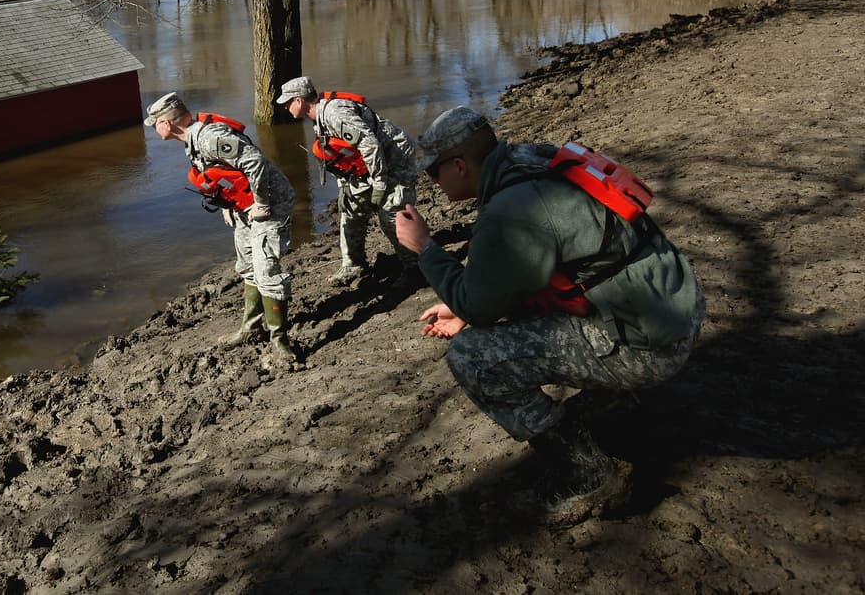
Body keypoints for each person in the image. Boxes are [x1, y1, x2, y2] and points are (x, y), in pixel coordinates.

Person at [394, 106, 706, 526]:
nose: (433, 183)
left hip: (650, 342)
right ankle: (615, 401)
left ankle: (589, 473)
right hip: (674, 303)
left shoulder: (509, 211)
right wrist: (464, 309)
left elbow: (480, 307)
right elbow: (528, 271)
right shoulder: (533, 161)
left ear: (460, 165)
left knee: (473, 358)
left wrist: (426, 249)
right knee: (495, 331)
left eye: (434, 173)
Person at [145, 92, 297, 360]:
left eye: (154, 122)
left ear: (167, 124)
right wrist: (227, 207)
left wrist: (261, 203)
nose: (152, 128)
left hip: (269, 204)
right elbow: (222, 175)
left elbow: (255, 162)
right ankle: (250, 328)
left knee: (267, 272)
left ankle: (280, 341)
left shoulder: (209, 138)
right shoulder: (191, 142)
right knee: (248, 267)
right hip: (243, 207)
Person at [277, 76, 419, 288]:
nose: (286, 108)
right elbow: (341, 155)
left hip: (393, 158)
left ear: (299, 101)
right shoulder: (318, 120)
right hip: (368, 163)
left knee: (391, 215)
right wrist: (345, 186)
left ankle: (415, 269)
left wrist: (379, 184)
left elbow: (370, 145)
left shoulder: (335, 114)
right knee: (350, 210)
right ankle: (353, 264)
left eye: (288, 103)